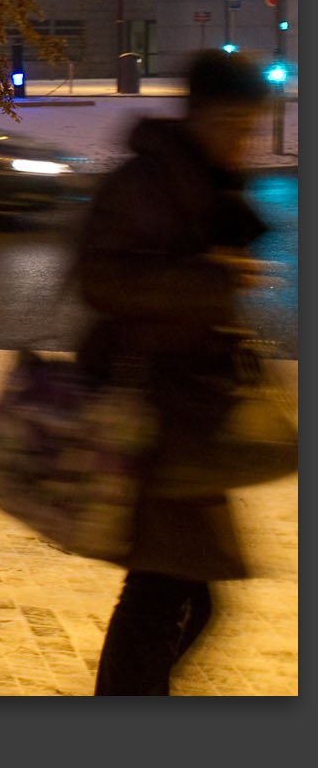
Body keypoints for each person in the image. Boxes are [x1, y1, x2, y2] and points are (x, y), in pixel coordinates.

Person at [78, 49, 282, 695]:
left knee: (177, 593)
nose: (244, 143)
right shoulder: (144, 181)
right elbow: (101, 279)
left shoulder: (206, 182)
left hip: (190, 416)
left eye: (252, 128)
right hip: (153, 416)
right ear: (197, 117)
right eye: (234, 126)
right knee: (164, 594)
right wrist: (211, 279)